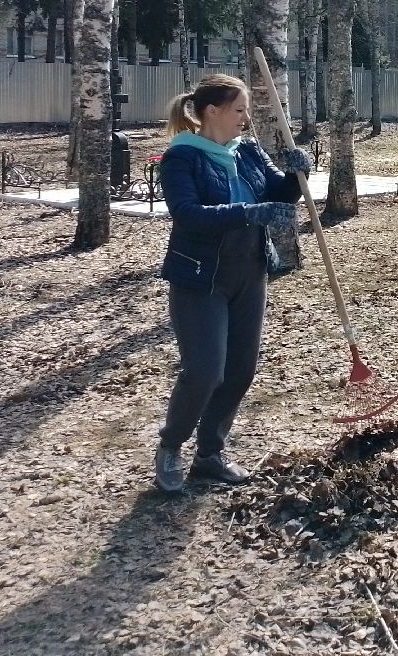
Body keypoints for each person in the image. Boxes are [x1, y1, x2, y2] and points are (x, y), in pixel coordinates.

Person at [153, 74, 312, 493]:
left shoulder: (248, 151)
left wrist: (297, 175)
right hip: (201, 277)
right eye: (239, 110)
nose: (246, 119)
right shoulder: (181, 158)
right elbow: (188, 213)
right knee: (206, 371)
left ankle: (209, 455)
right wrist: (250, 212)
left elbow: (277, 192)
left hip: (250, 271)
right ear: (213, 112)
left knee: (241, 370)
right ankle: (171, 447)